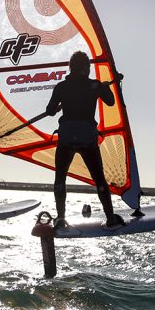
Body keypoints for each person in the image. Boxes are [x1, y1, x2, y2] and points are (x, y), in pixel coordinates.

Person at [45, 51, 126, 230]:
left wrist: (58, 107)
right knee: (99, 179)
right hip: (87, 139)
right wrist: (104, 87)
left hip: (66, 138)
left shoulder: (61, 87)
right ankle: (110, 217)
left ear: (71, 68)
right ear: (86, 68)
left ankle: (60, 218)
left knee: (60, 179)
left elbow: (49, 110)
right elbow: (111, 101)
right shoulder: (94, 85)